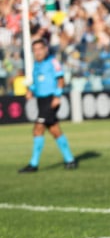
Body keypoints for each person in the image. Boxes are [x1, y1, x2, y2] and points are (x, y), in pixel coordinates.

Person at [18, 38, 78, 173]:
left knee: (38, 128)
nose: (38, 52)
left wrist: (57, 96)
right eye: (35, 50)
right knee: (54, 130)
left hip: (51, 99)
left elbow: (61, 79)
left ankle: (33, 164)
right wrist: (30, 90)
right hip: (41, 100)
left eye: (40, 49)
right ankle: (70, 160)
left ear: (46, 49)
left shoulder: (53, 62)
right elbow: (37, 83)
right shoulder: (37, 65)